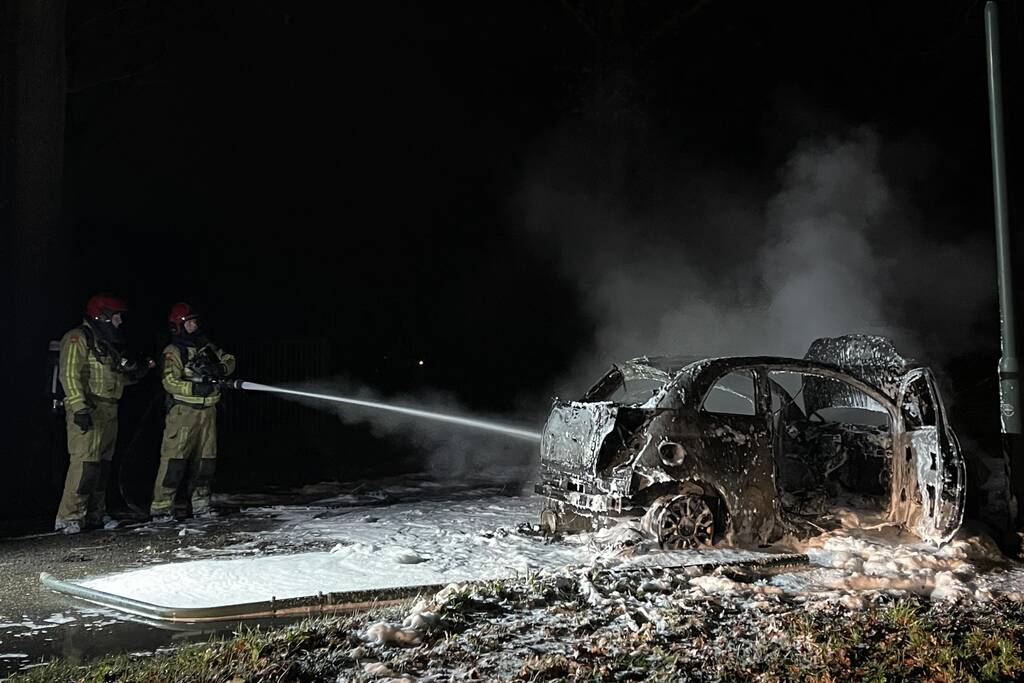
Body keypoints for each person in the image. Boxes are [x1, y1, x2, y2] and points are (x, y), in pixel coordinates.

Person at [56, 294, 149, 534]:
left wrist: (136, 374)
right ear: (102, 316)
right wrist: (79, 408)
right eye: (116, 316)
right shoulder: (78, 338)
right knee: (85, 464)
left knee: (102, 466)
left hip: (109, 408)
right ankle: (69, 516)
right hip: (90, 408)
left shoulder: (104, 344)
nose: (119, 321)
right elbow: (69, 375)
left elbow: (112, 377)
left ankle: (96, 513)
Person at [151, 303, 235, 522]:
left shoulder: (206, 347)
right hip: (183, 413)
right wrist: (195, 387)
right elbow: (169, 381)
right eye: (188, 322)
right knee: (174, 461)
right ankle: (162, 507)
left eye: (195, 321)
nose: (193, 325)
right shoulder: (173, 351)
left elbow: (229, 359)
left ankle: (200, 504)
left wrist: (220, 368)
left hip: (208, 412)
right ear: (178, 326)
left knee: (206, 460)